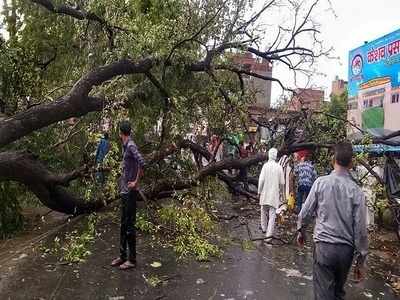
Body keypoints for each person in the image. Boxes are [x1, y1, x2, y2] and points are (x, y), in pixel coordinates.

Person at [297, 142, 368, 300]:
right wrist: (361, 260)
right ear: (351, 163)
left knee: (323, 294)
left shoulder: (321, 183)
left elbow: (305, 212)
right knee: (337, 293)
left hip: (324, 247)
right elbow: (361, 229)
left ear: (333, 160)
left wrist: (301, 231)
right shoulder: (357, 192)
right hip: (345, 252)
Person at [111, 121, 145, 270]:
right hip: (124, 191)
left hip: (131, 192)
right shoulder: (126, 146)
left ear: (120, 133)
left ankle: (132, 260)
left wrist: (136, 182)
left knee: (130, 226)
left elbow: (142, 163)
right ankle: (122, 256)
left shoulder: (131, 145)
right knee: (124, 225)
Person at [258, 148, 284, 239]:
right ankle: (269, 234)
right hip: (274, 194)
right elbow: (282, 183)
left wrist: (259, 191)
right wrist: (280, 191)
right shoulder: (279, 167)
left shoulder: (265, 166)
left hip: (265, 192)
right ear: (276, 156)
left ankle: (264, 228)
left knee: (263, 209)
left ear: (269, 155)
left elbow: (261, 180)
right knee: (272, 213)